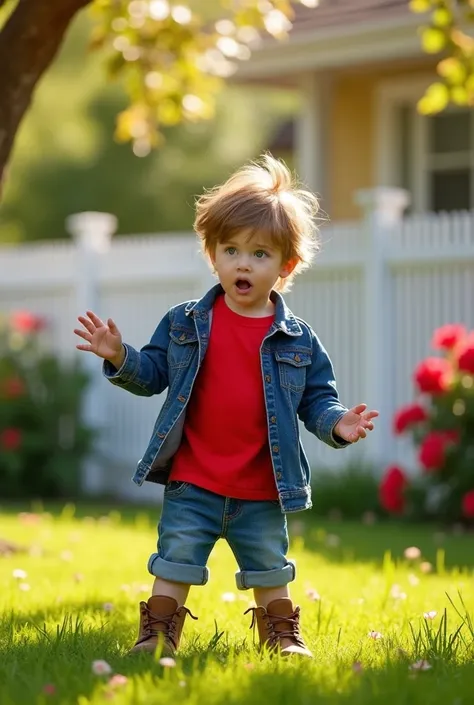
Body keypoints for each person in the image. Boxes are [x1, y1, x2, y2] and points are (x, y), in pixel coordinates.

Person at [74, 154, 378, 659]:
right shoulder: (185, 323)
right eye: (231, 249)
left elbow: (317, 399)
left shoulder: (296, 338)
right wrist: (120, 356)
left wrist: (337, 424)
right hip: (193, 480)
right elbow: (152, 375)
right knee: (174, 560)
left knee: (269, 567)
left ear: (286, 266)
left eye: (260, 254)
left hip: (261, 486)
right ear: (212, 254)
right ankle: (157, 637)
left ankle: (281, 638)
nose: (243, 262)